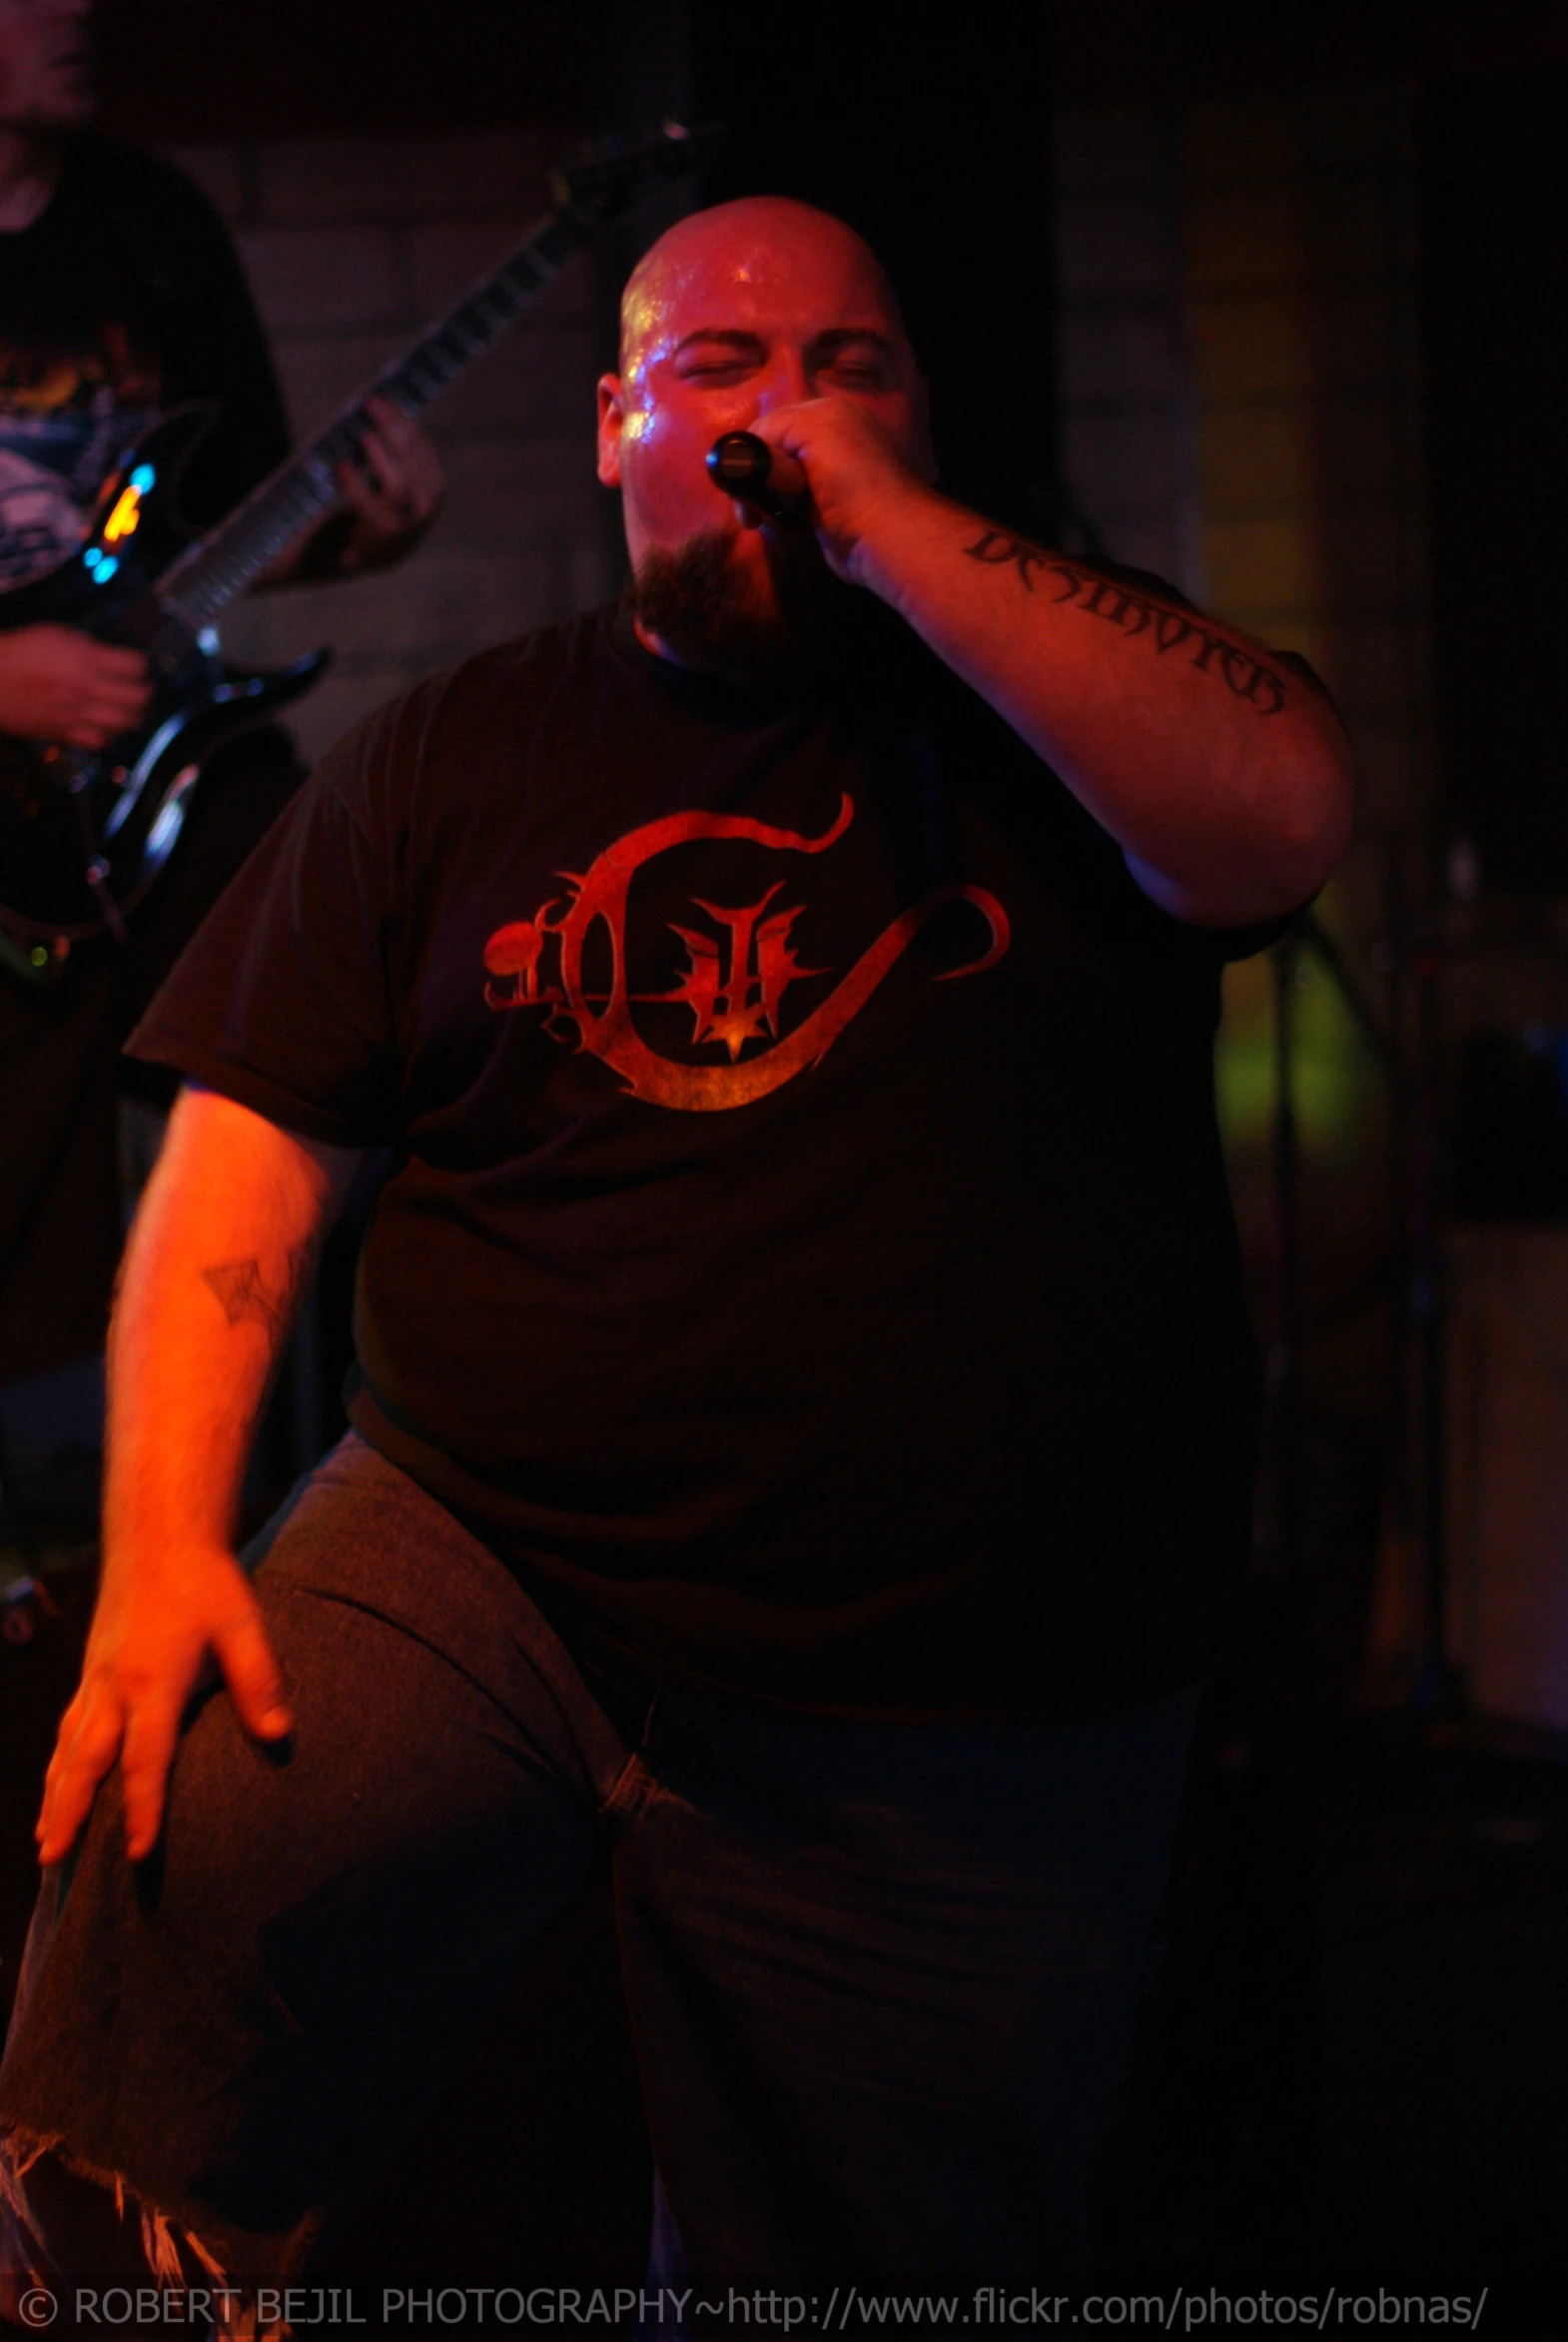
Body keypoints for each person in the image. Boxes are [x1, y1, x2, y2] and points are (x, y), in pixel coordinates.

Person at [0, 192, 1352, 2314]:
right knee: (161, 1926)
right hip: (484, 1554)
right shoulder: (459, 750)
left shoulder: (1053, 700)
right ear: (618, 417)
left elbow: (1274, 813)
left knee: (881, 2260)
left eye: (847, 364)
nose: (784, 409)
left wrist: (890, 532)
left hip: (956, 1669)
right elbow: (247, 1143)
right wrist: (164, 1542)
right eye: (718, 368)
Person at [0, 0, 442, 1447]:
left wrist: (360, 539)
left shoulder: (153, 222)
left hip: (159, 766)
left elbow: (244, 519)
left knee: (332, 963)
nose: (76, 10)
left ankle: (342, 1456)